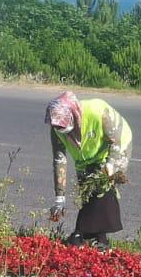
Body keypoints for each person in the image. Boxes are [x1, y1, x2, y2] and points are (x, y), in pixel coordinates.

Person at [46, 91, 132, 248]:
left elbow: (117, 140)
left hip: (114, 147)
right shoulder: (57, 129)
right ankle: (98, 237)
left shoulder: (97, 111)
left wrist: (111, 164)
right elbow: (60, 159)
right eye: (57, 126)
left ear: (74, 114)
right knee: (87, 193)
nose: (60, 129)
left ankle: (82, 233)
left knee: (102, 188)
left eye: (63, 125)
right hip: (84, 159)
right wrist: (60, 197)